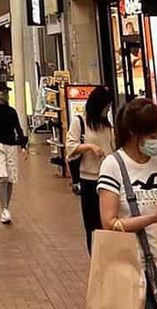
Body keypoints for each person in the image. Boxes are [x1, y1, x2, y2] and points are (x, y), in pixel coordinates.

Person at [98, 98, 157, 309]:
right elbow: (110, 224)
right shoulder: (113, 165)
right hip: (132, 268)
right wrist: (154, 217)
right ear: (132, 134)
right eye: (153, 136)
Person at [67, 85, 114, 252]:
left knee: (108, 223)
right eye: (105, 107)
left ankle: (107, 258)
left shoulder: (107, 125)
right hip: (89, 180)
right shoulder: (79, 122)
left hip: (108, 180)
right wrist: (89, 147)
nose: (107, 110)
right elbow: (70, 147)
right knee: (92, 225)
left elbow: (113, 147)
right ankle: (95, 259)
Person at [0, 81, 28, 224]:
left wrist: (23, 145)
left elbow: (18, 128)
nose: (6, 95)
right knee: (2, 177)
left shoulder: (12, 112)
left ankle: (6, 207)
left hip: (11, 146)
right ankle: (3, 209)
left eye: (7, 92)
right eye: (3, 92)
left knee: (10, 179)